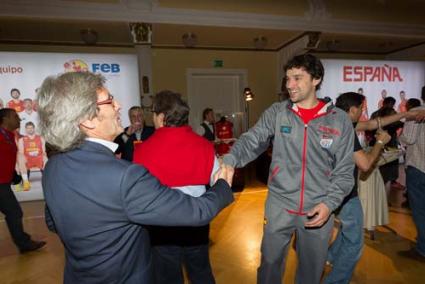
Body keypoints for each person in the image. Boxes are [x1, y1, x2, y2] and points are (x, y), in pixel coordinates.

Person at [36, 72, 234, 283]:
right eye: (110, 101)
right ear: (87, 120)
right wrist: (222, 185)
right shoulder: (123, 176)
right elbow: (197, 212)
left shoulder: (53, 167)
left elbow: (53, 222)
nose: (119, 105)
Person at [223, 54, 355, 284]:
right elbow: (252, 139)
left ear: (316, 79)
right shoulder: (278, 112)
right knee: (270, 265)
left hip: (318, 208)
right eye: (287, 79)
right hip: (280, 205)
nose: (289, 85)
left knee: (311, 272)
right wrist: (230, 159)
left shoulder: (339, 120)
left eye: (297, 78)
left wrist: (330, 204)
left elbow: (345, 171)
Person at [134, 90, 218, 284]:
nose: (152, 118)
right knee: (201, 271)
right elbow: (217, 182)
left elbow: (139, 194)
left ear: (162, 117)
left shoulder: (143, 150)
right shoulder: (204, 145)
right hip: (197, 221)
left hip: (162, 224)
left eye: (153, 113)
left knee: (167, 276)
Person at [323, 92, 391, 283]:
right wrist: (379, 142)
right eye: (361, 109)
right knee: (355, 243)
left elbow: (370, 124)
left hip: (328, 190)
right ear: (352, 110)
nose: (362, 113)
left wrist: (404, 116)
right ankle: (335, 281)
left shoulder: (330, 121)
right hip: (345, 194)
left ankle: (330, 258)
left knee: (346, 230)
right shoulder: (345, 128)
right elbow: (365, 164)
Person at [0, 108, 46, 253]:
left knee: (14, 212)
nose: (19, 120)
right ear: (5, 119)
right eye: (15, 116)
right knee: (14, 212)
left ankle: (24, 243)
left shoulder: (9, 135)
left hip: (4, 182)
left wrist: (13, 175)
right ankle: (24, 244)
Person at [398, 87, 425, 262]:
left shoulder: (416, 112)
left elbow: (409, 138)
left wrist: (400, 137)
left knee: (420, 210)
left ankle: (422, 249)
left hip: (419, 165)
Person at [17, 121, 47, 191]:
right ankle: (26, 182)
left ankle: (47, 180)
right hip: (28, 158)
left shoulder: (41, 138)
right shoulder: (21, 140)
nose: (30, 129)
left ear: (34, 128)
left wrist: (41, 154)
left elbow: (44, 151)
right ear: (25, 129)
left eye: (31, 128)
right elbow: (21, 152)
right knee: (20, 157)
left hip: (38, 157)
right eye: (28, 128)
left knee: (45, 157)